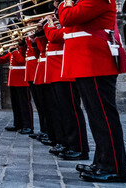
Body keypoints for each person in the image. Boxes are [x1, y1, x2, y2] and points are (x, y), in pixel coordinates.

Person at [57, 0, 126, 183]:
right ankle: (102, 161)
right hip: (87, 63)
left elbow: (67, 19)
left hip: (95, 61)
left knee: (104, 117)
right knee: (96, 117)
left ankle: (114, 166)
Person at [41, 11, 89, 162]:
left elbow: (55, 37)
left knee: (71, 111)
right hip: (55, 72)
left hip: (64, 72)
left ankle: (78, 146)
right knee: (61, 111)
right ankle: (66, 142)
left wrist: (48, 23)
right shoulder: (58, 24)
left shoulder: (66, 23)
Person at [0, 37, 33, 134]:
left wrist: (14, 51)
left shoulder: (23, 49)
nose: (12, 42)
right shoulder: (13, 51)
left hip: (22, 80)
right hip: (13, 81)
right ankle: (18, 124)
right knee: (16, 105)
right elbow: (4, 59)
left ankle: (28, 126)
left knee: (24, 105)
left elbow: (21, 61)